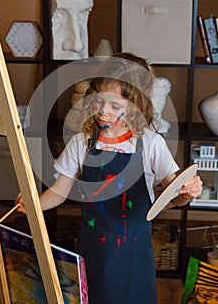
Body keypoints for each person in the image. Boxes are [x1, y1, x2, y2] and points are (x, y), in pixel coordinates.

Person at [16, 53, 202, 304]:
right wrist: (34, 204)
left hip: (136, 252)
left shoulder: (150, 143)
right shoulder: (82, 142)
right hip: (95, 250)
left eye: (115, 106)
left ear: (137, 106)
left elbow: (175, 197)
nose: (103, 111)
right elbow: (60, 191)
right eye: (99, 101)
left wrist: (188, 190)